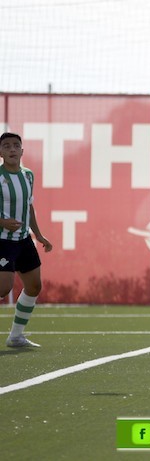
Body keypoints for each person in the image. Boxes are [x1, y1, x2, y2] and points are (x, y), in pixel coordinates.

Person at [0, 132, 53, 348]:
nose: (12, 149)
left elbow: (29, 208)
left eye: (15, 145)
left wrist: (38, 235)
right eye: (6, 146)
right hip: (2, 240)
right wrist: (2, 223)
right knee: (3, 288)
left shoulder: (28, 175)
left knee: (34, 286)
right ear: (1, 152)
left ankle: (16, 336)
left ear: (22, 151)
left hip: (23, 241)